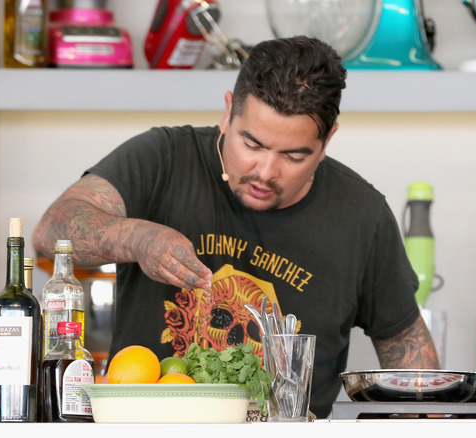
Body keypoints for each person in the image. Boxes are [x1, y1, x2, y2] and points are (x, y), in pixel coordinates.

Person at [32, 35, 439, 418]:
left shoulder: (361, 214)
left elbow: (405, 343)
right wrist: (137, 238)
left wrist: (421, 421)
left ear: (328, 139)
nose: (265, 171)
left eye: (294, 155)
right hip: (149, 426)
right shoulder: (163, 158)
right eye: (253, 144)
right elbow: (52, 230)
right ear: (228, 112)